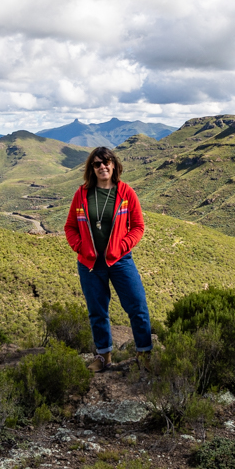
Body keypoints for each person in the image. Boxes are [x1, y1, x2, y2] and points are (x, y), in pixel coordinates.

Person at [64, 146, 153, 372]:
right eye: (97, 164)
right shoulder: (82, 194)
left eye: (106, 162)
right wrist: (80, 247)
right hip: (90, 265)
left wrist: (122, 246)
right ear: (91, 169)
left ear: (114, 165)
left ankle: (144, 353)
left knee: (137, 306)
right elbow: (70, 227)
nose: (102, 166)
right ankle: (103, 357)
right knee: (97, 311)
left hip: (120, 261)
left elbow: (138, 227)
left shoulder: (126, 193)